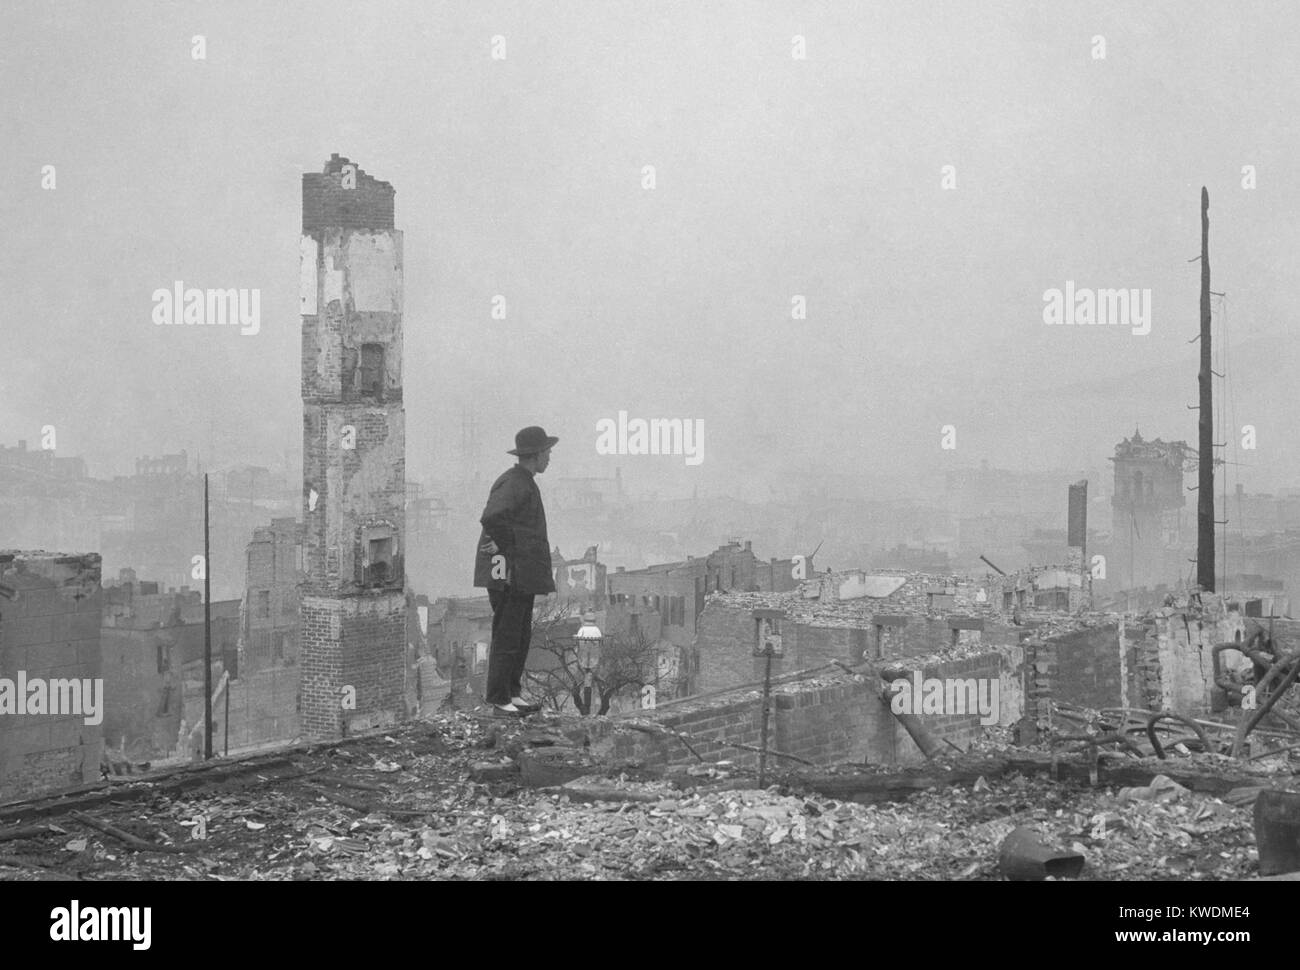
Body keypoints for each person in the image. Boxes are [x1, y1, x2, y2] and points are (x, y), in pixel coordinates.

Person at [473, 425, 559, 715]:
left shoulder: (523, 481)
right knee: (508, 632)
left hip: (518, 573)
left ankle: (512, 692)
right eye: (547, 453)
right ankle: (498, 697)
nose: (549, 458)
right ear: (535, 455)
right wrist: (511, 548)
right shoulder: (514, 483)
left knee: (519, 633)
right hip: (507, 572)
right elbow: (492, 518)